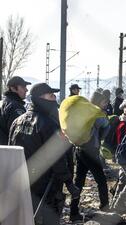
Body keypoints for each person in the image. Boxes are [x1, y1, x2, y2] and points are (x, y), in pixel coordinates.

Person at [9, 83, 79, 225]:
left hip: (22, 180)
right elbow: (57, 158)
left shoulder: (18, 121)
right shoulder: (48, 124)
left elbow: (11, 151)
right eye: (51, 96)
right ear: (40, 99)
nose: (54, 99)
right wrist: (69, 182)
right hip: (47, 184)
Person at [69, 92, 110, 222]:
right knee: (101, 181)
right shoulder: (96, 113)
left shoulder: (83, 112)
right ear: (97, 102)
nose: (106, 104)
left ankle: (73, 212)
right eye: (104, 102)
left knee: (78, 182)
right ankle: (105, 210)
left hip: (80, 149)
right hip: (91, 151)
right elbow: (105, 126)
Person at [0, 76, 31, 144]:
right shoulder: (15, 106)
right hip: (9, 151)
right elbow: (19, 135)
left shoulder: (3, 103)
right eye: (23, 87)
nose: (26, 90)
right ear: (13, 88)